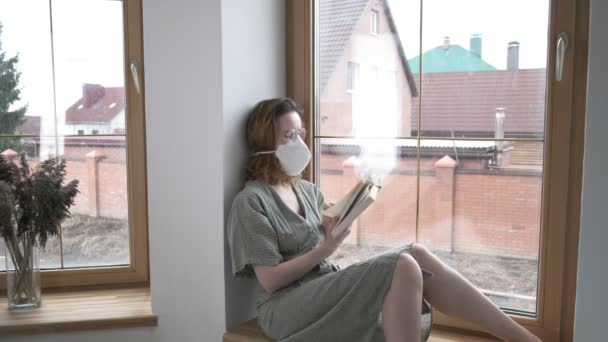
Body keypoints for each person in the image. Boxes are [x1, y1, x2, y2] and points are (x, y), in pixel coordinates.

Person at [227, 98, 541, 342]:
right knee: (401, 264)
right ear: (265, 141)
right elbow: (269, 280)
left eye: (301, 134)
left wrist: (336, 224)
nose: (299, 143)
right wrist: (325, 249)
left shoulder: (306, 190)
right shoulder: (250, 201)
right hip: (284, 307)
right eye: (288, 135)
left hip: (321, 286)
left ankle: (519, 336)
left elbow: (322, 241)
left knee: (416, 253)